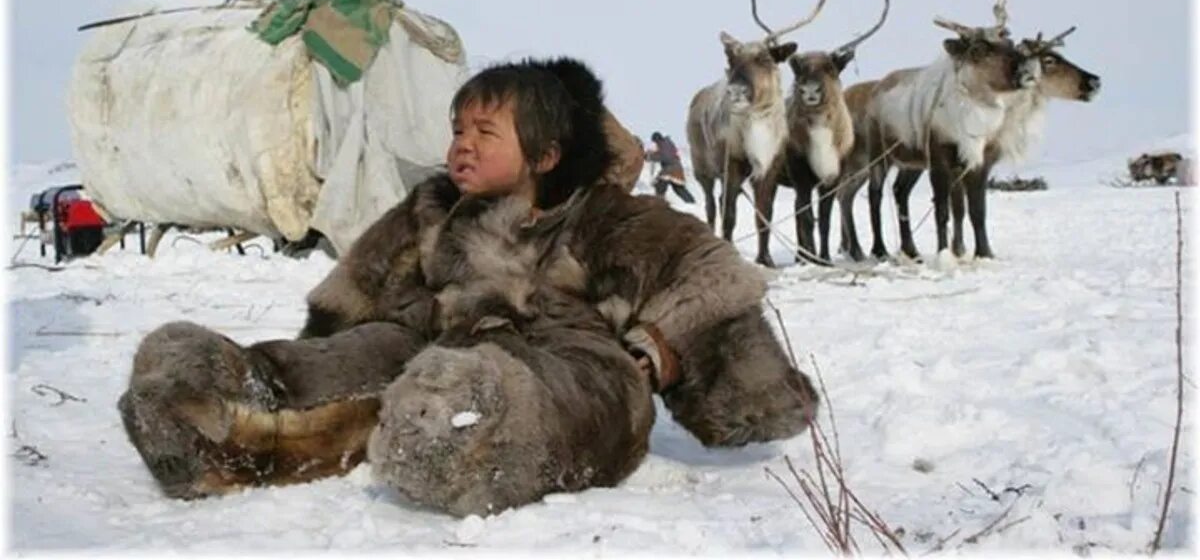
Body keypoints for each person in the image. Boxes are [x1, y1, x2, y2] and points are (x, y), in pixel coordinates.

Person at [118, 57, 817, 515]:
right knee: (386, 355)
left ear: (545, 156)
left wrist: (651, 352)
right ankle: (219, 410)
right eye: (457, 129)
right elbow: (358, 284)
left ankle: (472, 433)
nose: (461, 144)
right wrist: (316, 356)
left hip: (569, 363)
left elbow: (713, 276)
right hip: (434, 344)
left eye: (486, 130)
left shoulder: (605, 218)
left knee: (513, 391)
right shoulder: (430, 207)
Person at [646, 131, 696, 204]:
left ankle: (659, 202)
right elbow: (663, 154)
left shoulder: (664, 144)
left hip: (671, 169)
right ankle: (691, 203)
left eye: (655, 142)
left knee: (660, 184)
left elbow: (665, 156)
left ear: (657, 140)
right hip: (677, 169)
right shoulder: (666, 144)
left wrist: (650, 156)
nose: (655, 144)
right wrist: (652, 154)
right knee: (678, 188)